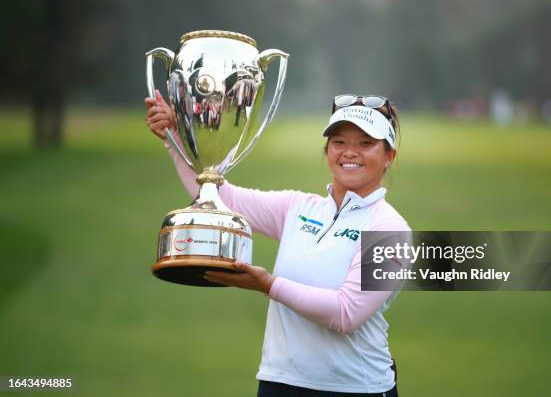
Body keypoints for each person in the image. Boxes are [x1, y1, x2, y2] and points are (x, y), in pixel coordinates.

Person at [145, 91, 410, 396]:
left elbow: (345, 313)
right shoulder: (298, 208)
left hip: (356, 388)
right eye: (340, 142)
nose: (350, 152)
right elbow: (220, 198)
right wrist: (174, 138)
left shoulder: (391, 229)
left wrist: (268, 285)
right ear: (327, 151)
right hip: (280, 383)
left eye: (366, 143)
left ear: (389, 156)